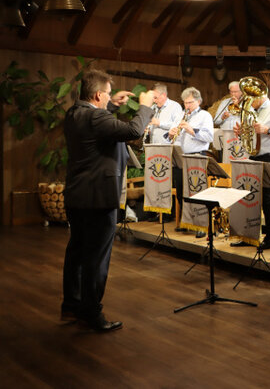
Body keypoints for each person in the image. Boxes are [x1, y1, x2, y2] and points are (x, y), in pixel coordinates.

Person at [61, 70, 155, 332]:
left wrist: (112, 104)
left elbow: (97, 123)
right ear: (97, 95)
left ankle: (71, 306)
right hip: (99, 198)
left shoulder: (74, 113)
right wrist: (145, 106)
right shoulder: (96, 117)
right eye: (108, 94)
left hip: (77, 194)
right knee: (96, 257)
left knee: (77, 251)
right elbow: (133, 130)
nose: (109, 97)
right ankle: (91, 314)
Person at [232, 92, 270, 249]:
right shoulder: (251, 111)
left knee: (267, 199)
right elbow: (250, 137)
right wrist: (241, 134)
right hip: (254, 157)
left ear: (261, 95)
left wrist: (267, 130)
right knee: (250, 197)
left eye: (250, 97)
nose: (248, 101)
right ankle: (248, 235)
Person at [169, 87, 214, 236]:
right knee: (181, 192)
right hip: (180, 157)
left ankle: (201, 226)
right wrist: (171, 134)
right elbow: (172, 137)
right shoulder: (180, 115)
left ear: (199, 101)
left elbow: (209, 137)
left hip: (196, 156)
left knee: (197, 192)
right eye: (185, 102)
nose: (187, 105)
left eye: (190, 102)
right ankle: (187, 222)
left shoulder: (205, 116)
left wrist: (192, 130)